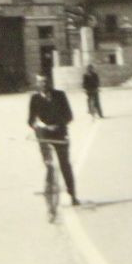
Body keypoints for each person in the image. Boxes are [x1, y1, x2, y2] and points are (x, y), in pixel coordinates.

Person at [27, 73, 80, 207]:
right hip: (44, 135)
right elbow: (30, 120)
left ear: (49, 82)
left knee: (65, 165)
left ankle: (72, 195)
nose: (43, 84)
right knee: (48, 163)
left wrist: (58, 125)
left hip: (59, 133)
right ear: (37, 84)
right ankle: (50, 186)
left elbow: (69, 116)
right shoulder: (34, 98)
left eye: (45, 81)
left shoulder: (60, 95)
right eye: (40, 82)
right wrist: (36, 125)